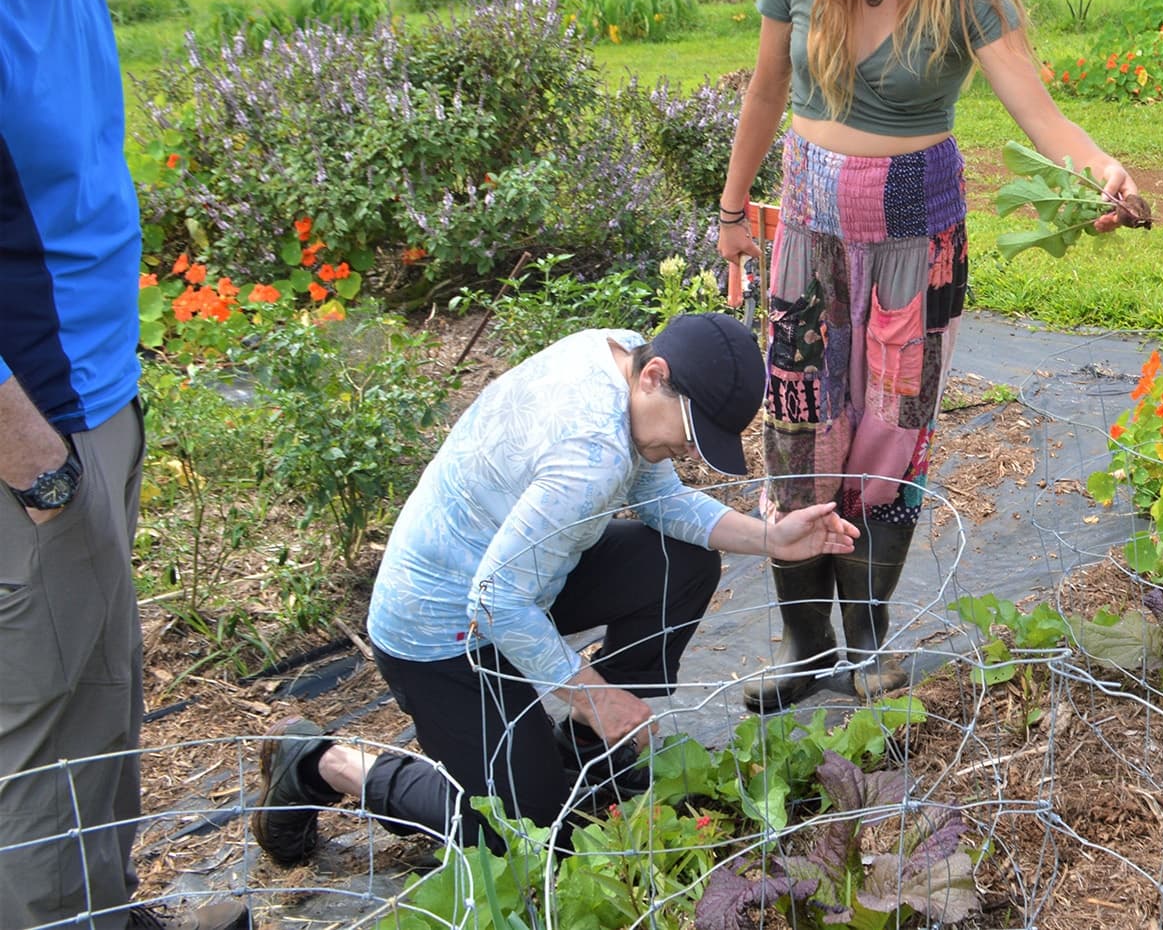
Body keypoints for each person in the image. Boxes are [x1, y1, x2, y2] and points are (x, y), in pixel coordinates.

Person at [718, 0, 1148, 712]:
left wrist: (1101, 171)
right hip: (806, 226)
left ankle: (868, 643)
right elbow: (761, 95)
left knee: (893, 437)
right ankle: (804, 648)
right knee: (798, 431)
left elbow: (1037, 110)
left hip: (920, 232)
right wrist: (730, 209)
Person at [249, 314, 860, 861]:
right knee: (521, 834)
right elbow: (494, 603)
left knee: (685, 562)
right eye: (689, 430)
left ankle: (584, 754)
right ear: (654, 374)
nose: (687, 449)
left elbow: (663, 501)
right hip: (441, 628)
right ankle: (320, 764)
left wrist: (770, 539)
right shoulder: (589, 454)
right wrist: (595, 695)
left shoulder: (614, 353)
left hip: (518, 576)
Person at [0, 0, 241, 930]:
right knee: (34, 718)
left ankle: (101, 909)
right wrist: (35, 462)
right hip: (25, 430)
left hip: (97, 398)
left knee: (104, 687)